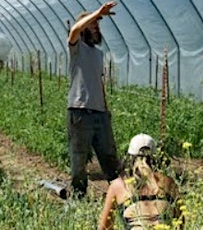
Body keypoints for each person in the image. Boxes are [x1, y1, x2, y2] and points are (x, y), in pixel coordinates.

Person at [66, 1, 123, 198]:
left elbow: (100, 85)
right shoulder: (76, 48)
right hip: (80, 112)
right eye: (93, 24)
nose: (97, 27)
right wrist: (98, 12)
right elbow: (74, 30)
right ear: (84, 29)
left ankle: (120, 196)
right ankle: (78, 199)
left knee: (110, 158)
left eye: (98, 25)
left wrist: (106, 110)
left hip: (99, 114)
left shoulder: (98, 54)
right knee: (79, 160)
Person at [98, 134, 181, 229]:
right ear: (156, 158)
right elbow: (180, 221)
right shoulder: (168, 182)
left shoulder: (118, 185)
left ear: (129, 158)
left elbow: (104, 227)